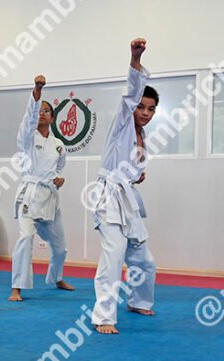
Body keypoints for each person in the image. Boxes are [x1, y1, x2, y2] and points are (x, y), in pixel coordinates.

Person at [91, 38, 158, 334]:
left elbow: (133, 165)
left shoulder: (143, 136)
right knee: (114, 253)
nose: (144, 112)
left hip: (127, 197)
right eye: (141, 107)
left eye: (151, 109)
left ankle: (138, 300)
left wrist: (136, 176)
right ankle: (103, 317)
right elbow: (129, 96)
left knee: (144, 259)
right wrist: (135, 59)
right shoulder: (121, 124)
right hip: (108, 196)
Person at [9, 74, 74, 302]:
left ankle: (57, 278)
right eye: (39, 111)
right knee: (26, 238)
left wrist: (58, 179)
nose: (42, 114)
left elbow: (59, 169)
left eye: (47, 111)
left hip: (49, 198)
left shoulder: (59, 145)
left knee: (60, 247)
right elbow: (29, 119)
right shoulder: (27, 138)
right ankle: (17, 287)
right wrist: (37, 91)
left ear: (53, 118)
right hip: (29, 196)